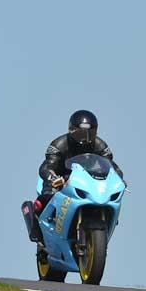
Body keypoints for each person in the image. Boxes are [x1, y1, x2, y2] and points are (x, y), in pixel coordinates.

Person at [24, 110, 123, 257]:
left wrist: (118, 177)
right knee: (45, 198)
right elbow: (47, 166)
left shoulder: (101, 146)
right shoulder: (59, 144)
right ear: (71, 131)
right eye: (81, 134)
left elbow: (111, 165)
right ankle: (39, 232)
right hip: (60, 180)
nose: (86, 138)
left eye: (90, 133)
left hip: (86, 182)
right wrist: (53, 178)